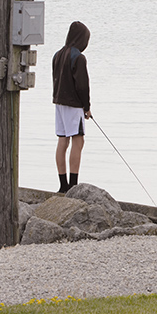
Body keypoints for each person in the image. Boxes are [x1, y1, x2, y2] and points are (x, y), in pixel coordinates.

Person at [52, 21, 92, 192]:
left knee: (62, 140)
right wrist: (86, 107)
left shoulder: (57, 55)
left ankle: (63, 185)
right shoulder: (78, 57)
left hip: (59, 103)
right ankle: (73, 186)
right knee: (78, 141)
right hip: (74, 105)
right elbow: (82, 85)